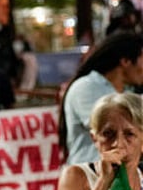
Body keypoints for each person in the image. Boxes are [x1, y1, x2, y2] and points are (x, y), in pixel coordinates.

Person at [58, 32, 143, 164]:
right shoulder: (86, 87)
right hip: (90, 178)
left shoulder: (128, 91)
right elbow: (117, 125)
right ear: (125, 61)